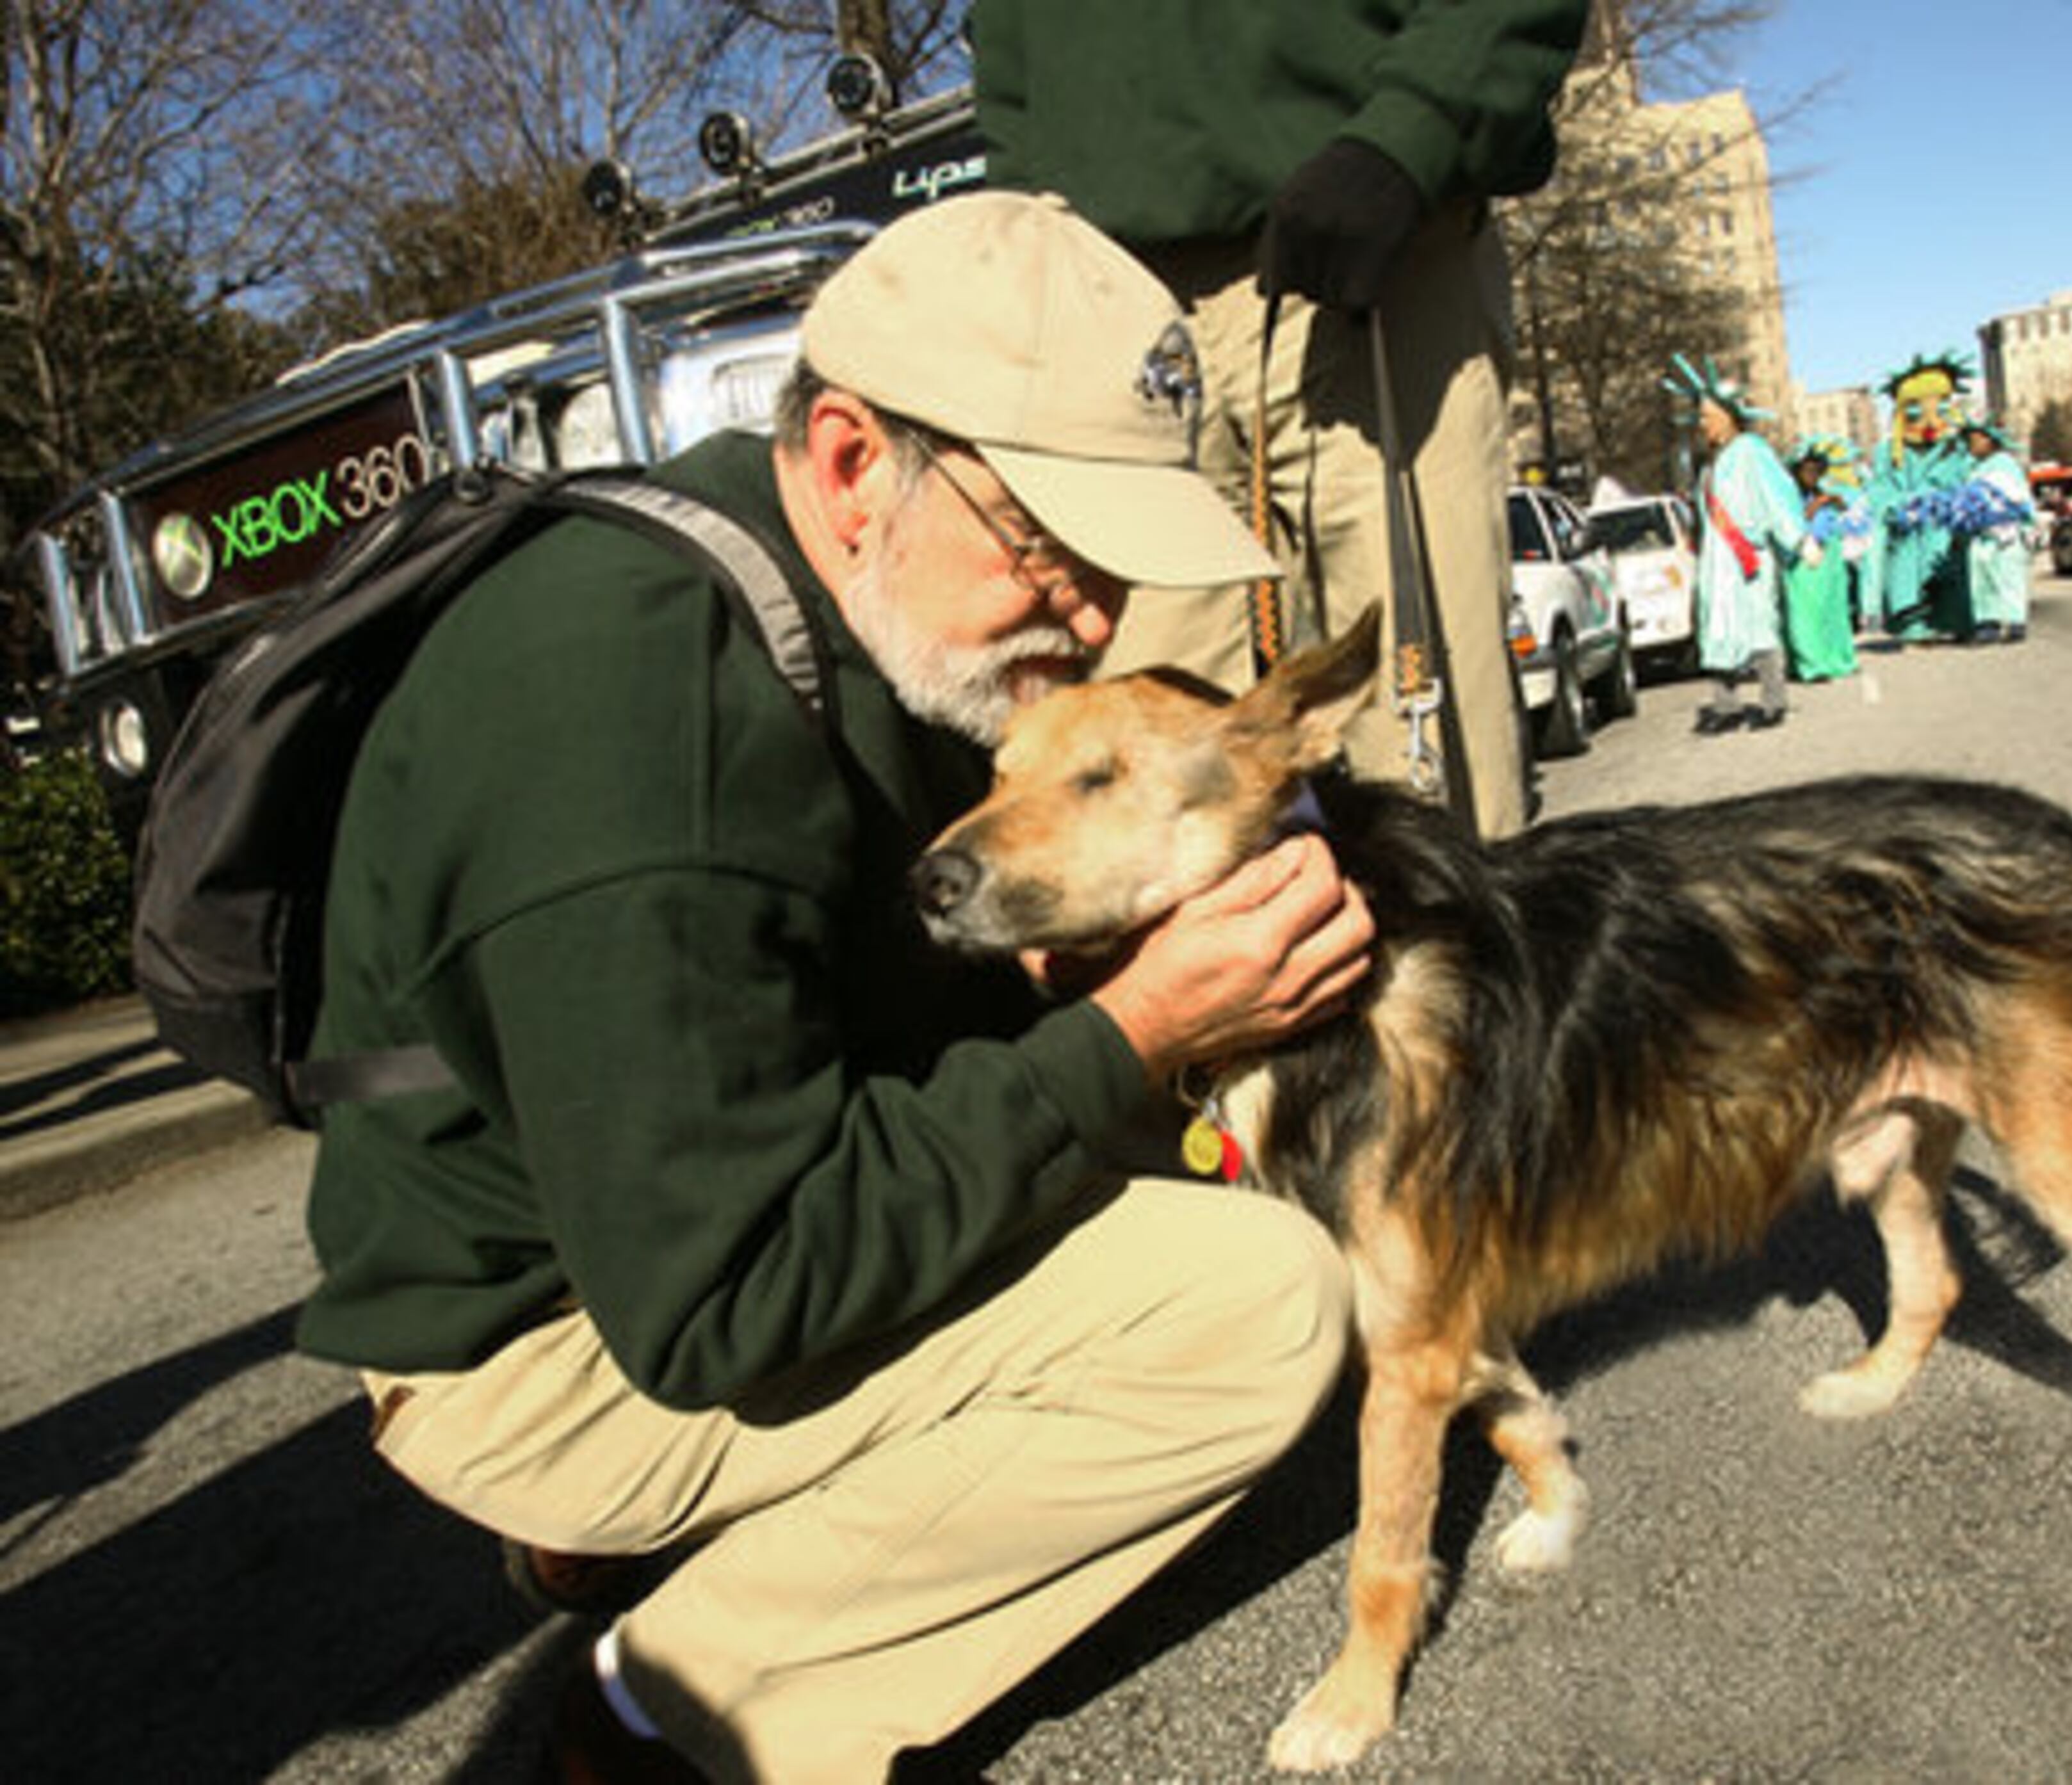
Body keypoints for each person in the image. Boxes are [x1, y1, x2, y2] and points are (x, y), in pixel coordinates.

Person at [296, 193, 1376, 1783]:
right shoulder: (635, 725)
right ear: (861, 463)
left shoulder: (863, 615)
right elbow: (725, 1290)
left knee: (1137, 1149)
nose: (1090, 619)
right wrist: (1138, 1029)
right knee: (1255, 1307)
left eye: (1114, 565)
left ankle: (693, 1532)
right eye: (1052, 549)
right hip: (551, 1330)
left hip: (689, 1210)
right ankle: (662, 1712)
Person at [970, 0, 1590, 839]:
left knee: (1430, 777)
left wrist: (1413, 132)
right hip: (1112, 306)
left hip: (1378, 250)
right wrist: (1028, 224)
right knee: (1137, 815)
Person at [1669, 355, 1817, 734]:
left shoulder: (1752, 451)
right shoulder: (1709, 465)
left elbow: (1777, 495)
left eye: (1708, 416)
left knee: (1757, 625)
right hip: (1717, 563)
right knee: (1717, 627)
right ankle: (1727, 705)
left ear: (1729, 416)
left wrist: (1800, 539)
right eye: (1701, 417)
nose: (1703, 424)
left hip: (1747, 557)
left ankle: (1773, 701)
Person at [1863, 350, 1977, 645]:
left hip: (1943, 527)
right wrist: (1897, 505)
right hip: (1908, 532)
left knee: (1948, 571)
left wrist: (1950, 499)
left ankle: (1955, 620)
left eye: (1939, 406)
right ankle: (1912, 626)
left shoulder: (1957, 447)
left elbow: (1967, 479)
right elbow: (1879, 489)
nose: (1928, 420)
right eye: (1916, 409)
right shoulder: (1888, 452)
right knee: (1906, 577)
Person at [1783, 440, 1860, 681]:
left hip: (1829, 559)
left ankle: (1837, 658)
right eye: (1807, 471)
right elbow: (1790, 522)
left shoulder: (1822, 491)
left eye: (1817, 471)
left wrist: (1835, 503)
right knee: (1806, 614)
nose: (1813, 476)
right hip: (1803, 560)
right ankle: (1811, 664)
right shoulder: (1788, 494)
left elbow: (1845, 509)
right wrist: (1816, 506)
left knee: (1832, 611)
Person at [1960, 417, 2036, 643]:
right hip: (1981, 534)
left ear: (1990, 441)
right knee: (1981, 578)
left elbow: (2017, 497)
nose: (1972, 445)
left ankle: (2015, 621)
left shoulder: (2004, 464)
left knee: (2008, 576)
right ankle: (1987, 622)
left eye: (1976, 440)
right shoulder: (1973, 468)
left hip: (2006, 532)